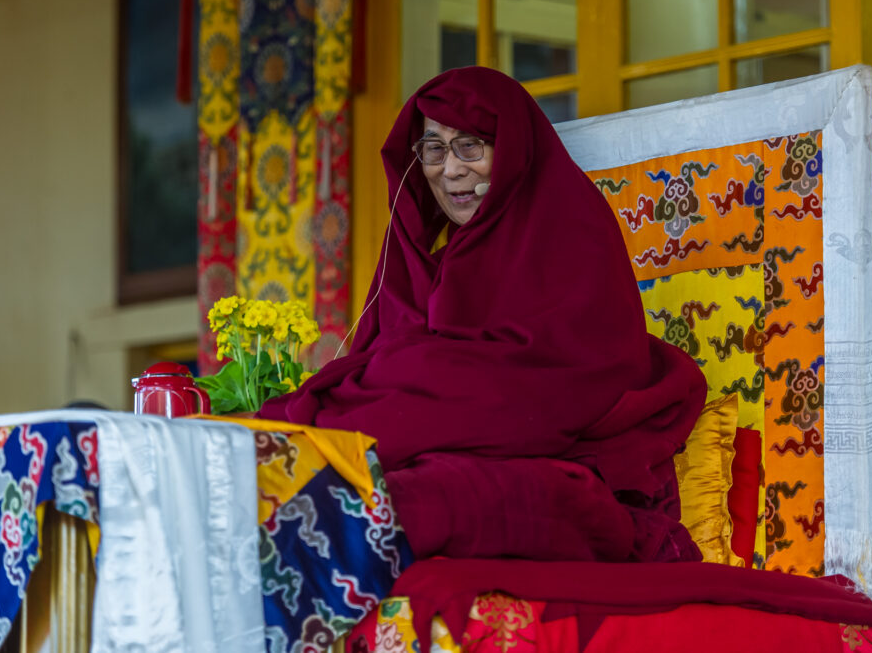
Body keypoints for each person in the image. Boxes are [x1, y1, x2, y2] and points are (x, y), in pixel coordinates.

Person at [259, 66, 706, 564]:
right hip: (441, 448)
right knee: (304, 477)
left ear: (512, 150)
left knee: (412, 504)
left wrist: (412, 372)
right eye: (433, 149)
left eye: (470, 146)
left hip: (553, 462)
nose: (450, 170)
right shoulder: (429, 264)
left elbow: (570, 387)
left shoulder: (573, 232)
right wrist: (407, 377)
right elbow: (392, 363)